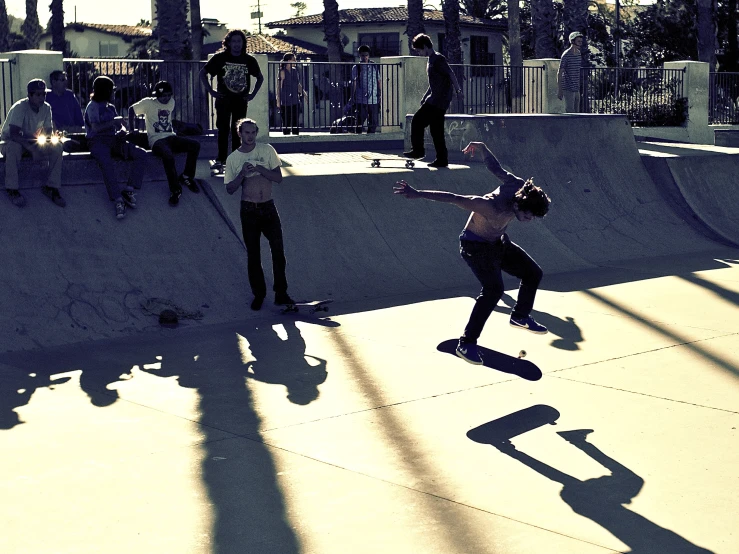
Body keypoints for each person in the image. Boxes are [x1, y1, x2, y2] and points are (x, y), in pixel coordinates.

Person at [393, 141, 551, 365]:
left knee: (533, 273)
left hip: (498, 243)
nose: (530, 220)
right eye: (528, 215)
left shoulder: (517, 185)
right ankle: (466, 344)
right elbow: (455, 198)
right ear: (518, 206)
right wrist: (418, 193)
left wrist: (484, 148)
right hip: (474, 247)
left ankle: (520, 316)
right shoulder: (490, 206)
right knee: (494, 290)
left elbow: (497, 169)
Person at [224, 118, 294, 311]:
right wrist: (242, 174)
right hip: (249, 210)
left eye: (253, 132)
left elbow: (278, 178)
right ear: (240, 133)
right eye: (246, 132)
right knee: (254, 255)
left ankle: (281, 292)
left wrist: (261, 169)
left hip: (268, 207)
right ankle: (259, 294)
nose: (250, 136)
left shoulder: (267, 150)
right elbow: (229, 189)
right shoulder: (233, 159)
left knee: (278, 252)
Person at [199, 29, 264, 174]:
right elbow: (202, 73)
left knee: (237, 131)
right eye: (233, 41)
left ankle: (236, 160)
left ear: (243, 43)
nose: (236, 44)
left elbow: (260, 77)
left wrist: (252, 94)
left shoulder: (249, 60)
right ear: (228, 43)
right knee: (223, 130)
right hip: (223, 101)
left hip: (240, 101)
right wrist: (211, 91)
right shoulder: (220, 58)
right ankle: (221, 159)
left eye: (239, 41)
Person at [84, 75, 148, 220]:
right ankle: (118, 200)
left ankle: (129, 189)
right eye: (111, 90)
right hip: (97, 141)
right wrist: (113, 122)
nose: (113, 93)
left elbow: (121, 126)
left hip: (114, 139)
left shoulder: (111, 107)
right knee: (107, 164)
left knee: (141, 154)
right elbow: (95, 127)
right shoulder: (92, 106)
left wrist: (123, 131)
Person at [128, 80, 201, 206]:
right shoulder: (148, 103)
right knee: (168, 155)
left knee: (195, 145)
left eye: (168, 95)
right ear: (157, 95)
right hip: (156, 140)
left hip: (170, 136)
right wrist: (131, 128)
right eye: (163, 96)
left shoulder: (172, 102)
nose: (166, 98)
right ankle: (175, 190)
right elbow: (131, 110)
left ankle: (187, 176)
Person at [0, 79, 66, 208]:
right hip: (10, 142)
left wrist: (42, 147)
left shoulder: (46, 108)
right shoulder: (20, 107)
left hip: (31, 142)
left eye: (43, 94)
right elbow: (14, 134)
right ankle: (12, 189)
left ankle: (51, 187)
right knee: (14, 147)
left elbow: (47, 132)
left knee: (57, 146)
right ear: (30, 95)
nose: (42, 98)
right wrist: (33, 150)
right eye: (38, 94)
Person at [403, 33, 463, 168]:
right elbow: (434, 82)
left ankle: (418, 151)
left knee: (417, 121)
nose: (419, 53)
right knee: (436, 131)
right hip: (435, 99)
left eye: (419, 50)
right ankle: (442, 159)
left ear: (425, 46)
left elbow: (450, 74)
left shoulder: (438, 59)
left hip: (438, 100)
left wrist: (459, 91)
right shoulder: (431, 60)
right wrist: (425, 95)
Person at [351, 45, 382, 134]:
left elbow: (378, 80)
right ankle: (358, 137)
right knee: (360, 119)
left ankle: (370, 137)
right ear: (360, 55)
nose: (365, 57)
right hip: (360, 98)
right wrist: (353, 96)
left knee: (374, 121)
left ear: (369, 55)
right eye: (363, 55)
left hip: (374, 97)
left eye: (366, 55)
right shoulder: (356, 67)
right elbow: (354, 82)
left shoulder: (374, 66)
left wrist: (380, 94)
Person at [46, 70, 84, 134]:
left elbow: (78, 113)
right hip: (58, 131)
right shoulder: (47, 97)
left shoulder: (70, 95)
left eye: (66, 79)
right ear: (54, 82)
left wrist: (81, 126)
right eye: (62, 80)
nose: (66, 82)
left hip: (74, 129)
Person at [276, 53, 306, 135]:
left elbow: (297, 84)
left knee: (295, 121)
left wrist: (304, 93)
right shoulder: (282, 72)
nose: (295, 61)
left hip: (295, 100)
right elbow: (279, 86)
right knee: (286, 122)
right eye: (294, 59)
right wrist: (278, 100)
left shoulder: (294, 71)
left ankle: (296, 138)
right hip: (285, 101)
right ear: (289, 60)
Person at [558, 32, 584, 113]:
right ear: (572, 41)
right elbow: (560, 72)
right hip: (568, 88)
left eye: (581, 41)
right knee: (570, 112)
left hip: (576, 88)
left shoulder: (579, 54)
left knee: (577, 112)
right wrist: (560, 90)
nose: (580, 43)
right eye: (578, 41)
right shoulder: (566, 55)